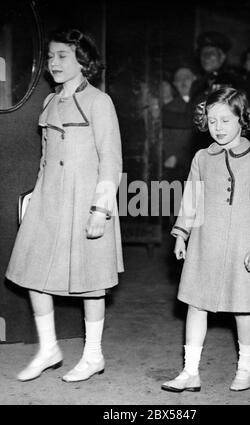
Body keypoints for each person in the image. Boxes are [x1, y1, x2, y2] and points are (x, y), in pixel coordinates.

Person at [5, 28, 124, 382]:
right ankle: (48, 348)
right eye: (50, 57)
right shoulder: (50, 102)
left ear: (82, 60)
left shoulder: (99, 102)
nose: (53, 63)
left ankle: (93, 355)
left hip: (86, 200)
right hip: (49, 199)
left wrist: (101, 210)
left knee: (91, 280)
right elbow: (45, 159)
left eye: (62, 56)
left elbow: (111, 160)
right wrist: (34, 198)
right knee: (32, 271)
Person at [161, 87, 250, 393]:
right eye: (212, 121)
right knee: (196, 304)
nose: (218, 128)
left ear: (242, 120)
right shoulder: (202, 158)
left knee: (244, 308)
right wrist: (181, 233)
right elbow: (191, 197)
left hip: (245, 245)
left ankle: (246, 367)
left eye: (225, 121)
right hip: (207, 245)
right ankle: (190, 371)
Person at [190, 31, 240, 154]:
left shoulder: (233, 81)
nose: (205, 57)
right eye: (203, 54)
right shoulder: (198, 84)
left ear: (222, 57)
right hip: (201, 147)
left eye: (211, 53)